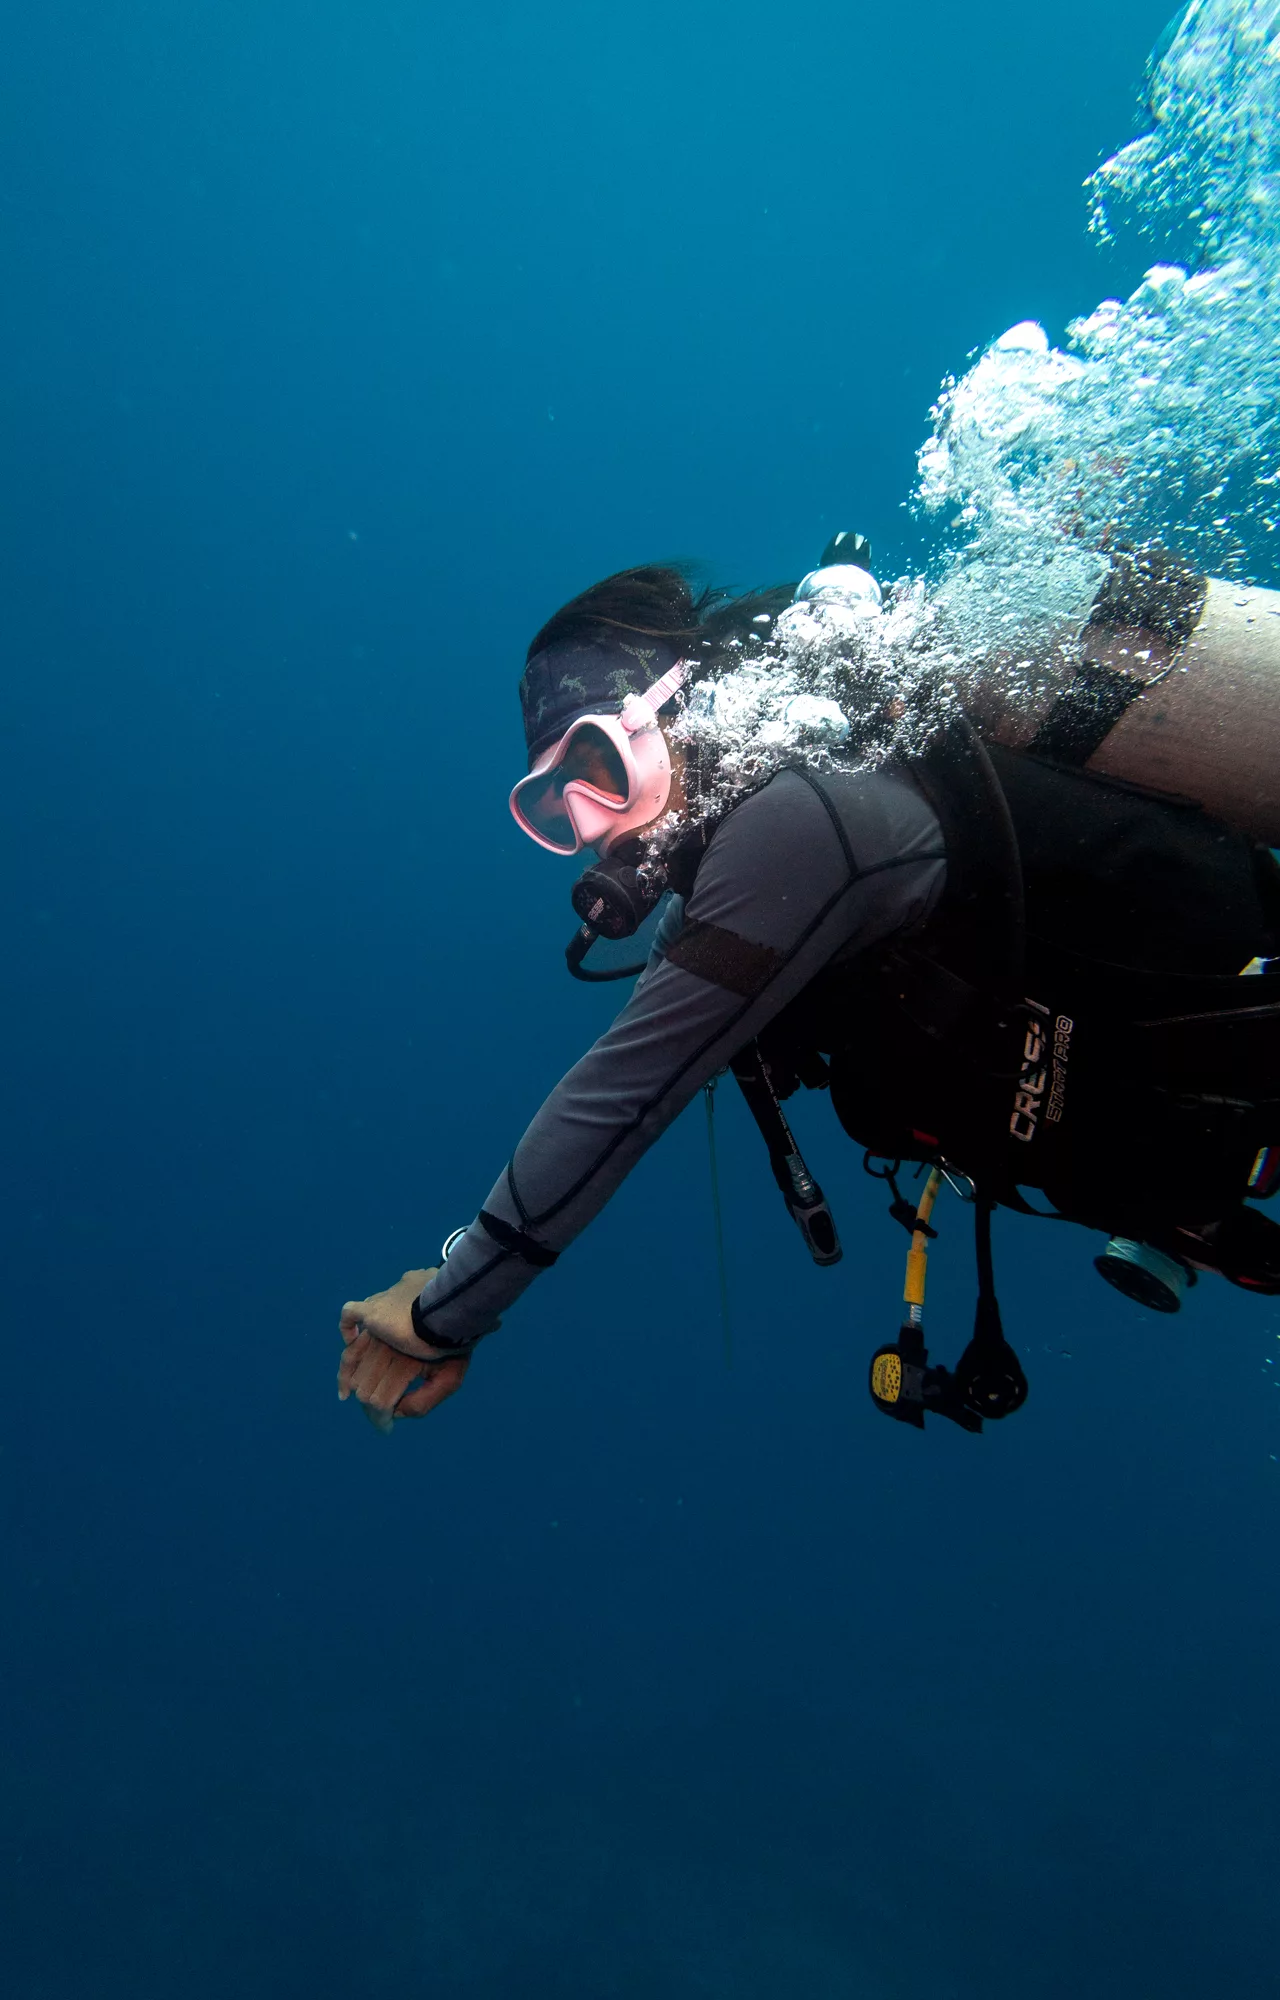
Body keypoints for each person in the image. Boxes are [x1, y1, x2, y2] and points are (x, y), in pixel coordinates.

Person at [339, 540, 1280, 1435]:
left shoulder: (801, 823)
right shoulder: (750, 855)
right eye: (549, 805)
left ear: (671, 700)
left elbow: (623, 1093)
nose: (586, 825)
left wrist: (446, 1310)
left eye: (593, 767)